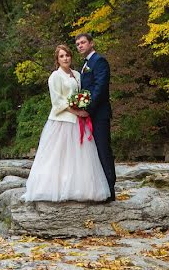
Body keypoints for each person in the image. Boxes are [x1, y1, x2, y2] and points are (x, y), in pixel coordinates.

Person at [22, 44, 110, 202]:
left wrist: (83, 106)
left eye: (67, 55)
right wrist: (76, 111)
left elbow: (83, 93)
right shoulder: (55, 76)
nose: (65, 58)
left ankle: (79, 189)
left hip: (78, 121)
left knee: (79, 158)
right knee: (59, 157)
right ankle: (55, 188)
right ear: (57, 59)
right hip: (62, 121)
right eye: (62, 56)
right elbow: (57, 102)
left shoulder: (77, 74)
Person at [76, 33, 116, 202]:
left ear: (91, 43)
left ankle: (110, 190)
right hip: (86, 115)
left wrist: (88, 109)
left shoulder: (99, 61)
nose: (80, 45)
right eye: (77, 44)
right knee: (91, 153)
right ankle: (98, 189)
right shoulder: (84, 65)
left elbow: (100, 88)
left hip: (98, 115)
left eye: (83, 42)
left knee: (103, 150)